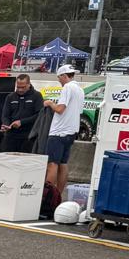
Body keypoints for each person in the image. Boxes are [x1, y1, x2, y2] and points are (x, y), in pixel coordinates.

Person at [45, 63, 83, 195]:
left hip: (59, 132)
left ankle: (48, 197)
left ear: (64, 76)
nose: (59, 81)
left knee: (52, 164)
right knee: (63, 163)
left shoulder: (67, 87)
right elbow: (79, 111)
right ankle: (58, 195)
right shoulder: (80, 89)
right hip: (71, 131)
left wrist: (50, 103)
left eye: (59, 78)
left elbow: (60, 109)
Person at [0, 73, 44, 153]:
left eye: (23, 87)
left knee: (25, 159)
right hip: (11, 136)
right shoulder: (10, 97)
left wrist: (21, 122)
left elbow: (39, 115)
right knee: (6, 157)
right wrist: (6, 125)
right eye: (18, 87)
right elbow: (5, 115)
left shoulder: (37, 96)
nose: (20, 90)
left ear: (29, 84)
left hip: (28, 136)